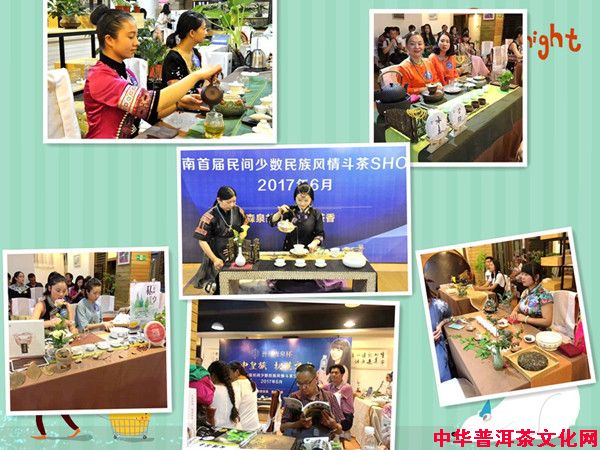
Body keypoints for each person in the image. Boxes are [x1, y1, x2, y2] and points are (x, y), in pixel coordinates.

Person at [84, 5, 222, 139]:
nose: (137, 42)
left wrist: (179, 104)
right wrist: (197, 75)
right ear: (109, 40)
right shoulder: (100, 77)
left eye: (136, 36)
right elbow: (148, 103)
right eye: (131, 37)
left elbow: (147, 113)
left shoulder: (127, 74)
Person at [192, 186, 249, 294]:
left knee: (233, 283)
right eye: (229, 202)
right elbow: (202, 241)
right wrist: (214, 259)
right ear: (219, 200)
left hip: (233, 250)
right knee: (219, 286)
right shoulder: (208, 217)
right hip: (216, 252)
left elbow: (245, 224)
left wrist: (240, 238)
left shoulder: (238, 210)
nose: (232, 205)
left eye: (234, 201)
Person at [281, 363, 344, 439]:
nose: (303, 387)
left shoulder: (330, 396)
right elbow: (282, 427)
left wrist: (334, 425)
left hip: (324, 441)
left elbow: (340, 431)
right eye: (300, 383)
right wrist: (299, 424)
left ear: (316, 379)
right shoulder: (294, 397)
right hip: (299, 441)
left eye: (307, 382)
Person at [162, 10, 210, 104]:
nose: (206, 33)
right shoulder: (173, 58)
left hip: (196, 104)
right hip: (177, 109)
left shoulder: (196, 53)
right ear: (192, 33)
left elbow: (200, 84)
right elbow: (176, 93)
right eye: (204, 29)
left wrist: (209, 81)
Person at [268, 183, 324, 253]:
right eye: (299, 200)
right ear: (295, 198)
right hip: (289, 251)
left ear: (311, 200)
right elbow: (271, 222)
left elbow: (320, 234)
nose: (302, 203)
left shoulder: (316, 213)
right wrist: (279, 213)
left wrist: (314, 243)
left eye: (306, 200)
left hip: (308, 251)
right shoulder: (290, 210)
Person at [509, 262, 554, 329]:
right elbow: (519, 306)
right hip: (524, 328)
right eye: (522, 274)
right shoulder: (526, 292)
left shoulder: (544, 295)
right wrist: (514, 311)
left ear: (536, 277)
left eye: (526, 275)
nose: (522, 277)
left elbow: (547, 322)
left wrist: (526, 319)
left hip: (537, 332)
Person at [427, 280, 453, 382]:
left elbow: (450, 317)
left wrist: (440, 324)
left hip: (437, 346)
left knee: (441, 376)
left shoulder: (439, 305)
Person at [208, 360, 240, 429]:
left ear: (213, 375)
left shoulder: (211, 390)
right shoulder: (234, 389)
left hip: (216, 431)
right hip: (231, 429)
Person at [229, 361, 260, 431]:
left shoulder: (235, 385)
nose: (228, 377)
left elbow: (234, 408)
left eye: (229, 373)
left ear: (236, 372)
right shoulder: (251, 383)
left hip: (243, 428)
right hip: (254, 425)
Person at [323, 364, 354, 432]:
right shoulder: (329, 386)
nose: (333, 374)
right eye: (332, 372)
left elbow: (334, 396)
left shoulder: (347, 387)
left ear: (342, 375)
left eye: (336, 373)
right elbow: (320, 389)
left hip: (346, 416)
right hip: (335, 413)